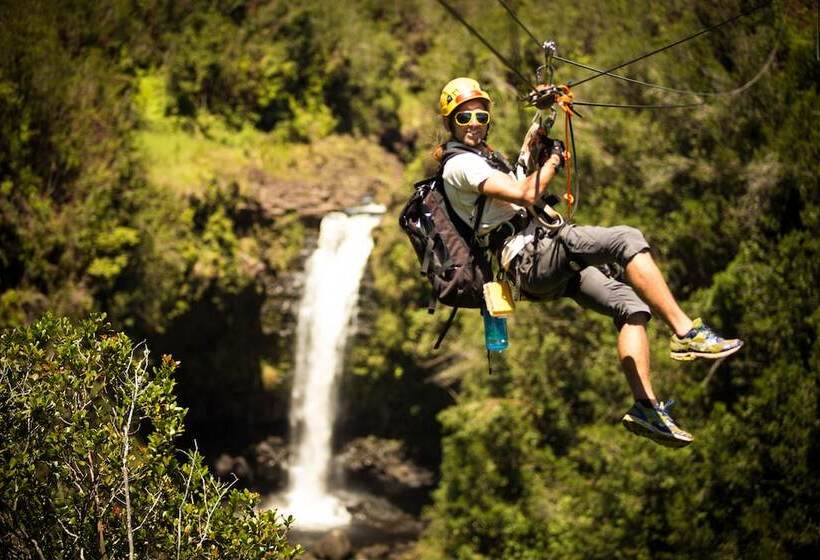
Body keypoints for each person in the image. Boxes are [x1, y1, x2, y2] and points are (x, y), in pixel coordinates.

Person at [434, 77, 743, 448]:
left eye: (480, 116)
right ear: (450, 122)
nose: (473, 124)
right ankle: (686, 334)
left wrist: (544, 116)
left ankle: (647, 409)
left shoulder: (485, 159)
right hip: (530, 257)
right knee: (626, 238)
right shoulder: (460, 166)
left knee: (631, 306)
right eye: (464, 118)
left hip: (540, 258)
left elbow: (519, 171)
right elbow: (523, 192)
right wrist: (552, 160)